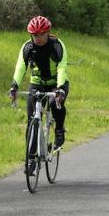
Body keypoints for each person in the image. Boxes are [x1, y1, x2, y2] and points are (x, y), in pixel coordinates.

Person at [8, 16, 69, 152]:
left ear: (48, 33)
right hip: (37, 83)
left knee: (54, 103)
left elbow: (62, 67)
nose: (38, 38)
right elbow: (21, 67)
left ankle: (59, 130)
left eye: (42, 34)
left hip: (57, 82)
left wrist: (59, 88)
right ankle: (31, 156)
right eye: (35, 35)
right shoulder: (27, 47)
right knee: (32, 120)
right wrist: (14, 86)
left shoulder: (56, 45)